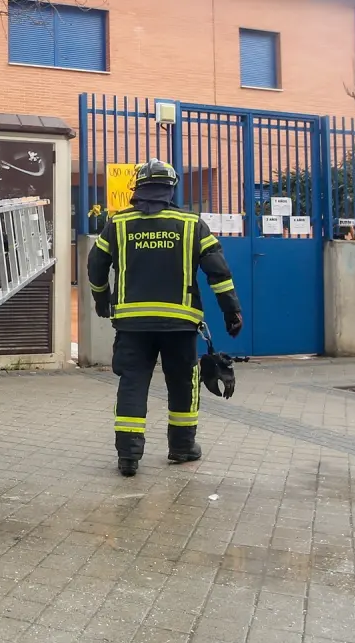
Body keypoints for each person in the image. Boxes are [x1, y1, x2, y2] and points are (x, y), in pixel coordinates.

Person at [87, 158, 243, 477]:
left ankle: (128, 455)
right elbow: (218, 272)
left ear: (138, 189)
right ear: (171, 189)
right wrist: (231, 310)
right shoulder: (192, 224)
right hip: (179, 324)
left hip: (132, 324)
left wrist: (102, 299)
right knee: (183, 383)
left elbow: (95, 265)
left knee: (132, 383)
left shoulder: (118, 224)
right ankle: (182, 447)